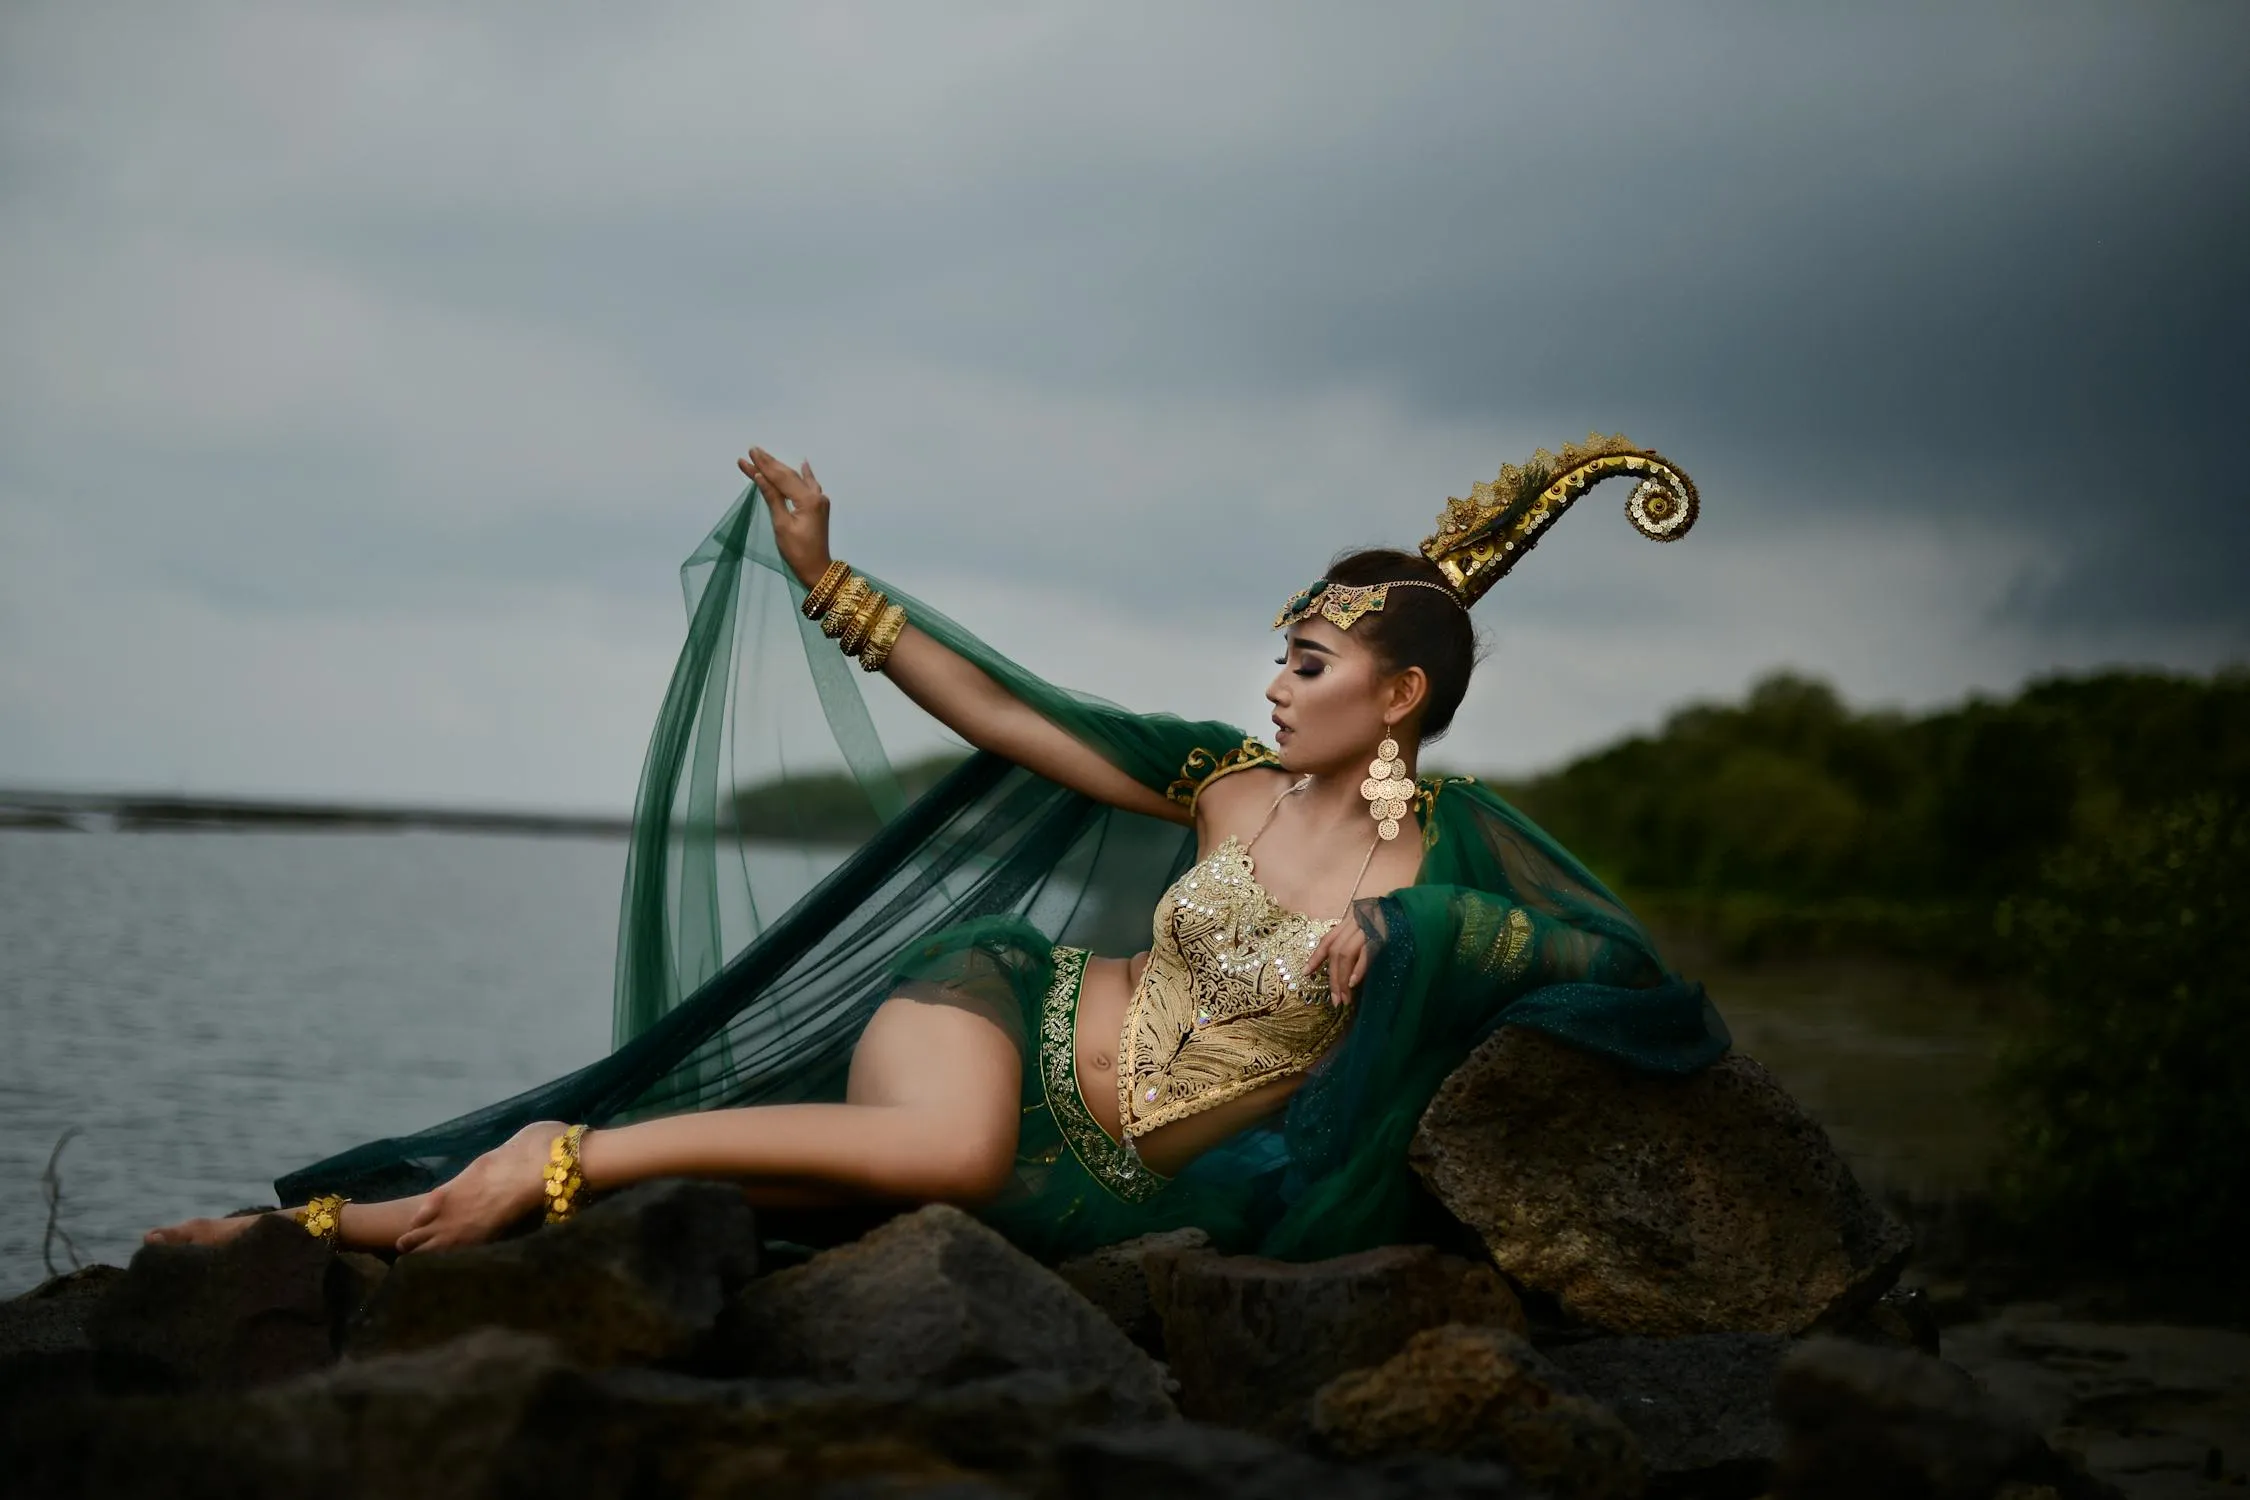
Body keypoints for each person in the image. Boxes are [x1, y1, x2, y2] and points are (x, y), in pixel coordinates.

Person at [149, 434, 1729, 1263]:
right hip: (989, 1023)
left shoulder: (1459, 858)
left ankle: (308, 1235)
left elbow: (1624, 978)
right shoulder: (1219, 786)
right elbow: (1008, 709)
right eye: (1282, 653)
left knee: (800, 1212)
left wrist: (1411, 941)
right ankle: (552, 1159)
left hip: (1114, 1175)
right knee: (942, 1159)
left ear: (1398, 695)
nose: (1274, 681)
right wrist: (830, 581)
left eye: (1309, 662)